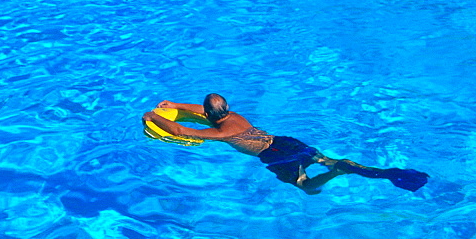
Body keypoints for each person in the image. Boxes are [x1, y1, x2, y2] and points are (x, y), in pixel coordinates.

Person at [142, 93, 428, 195]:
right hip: (285, 142)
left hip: (274, 156)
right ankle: (365, 170)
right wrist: (178, 104)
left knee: (307, 187)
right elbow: (201, 112)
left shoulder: (223, 133)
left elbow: (181, 130)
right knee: (325, 159)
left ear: (212, 116)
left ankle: (335, 172)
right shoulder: (236, 117)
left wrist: (153, 115)